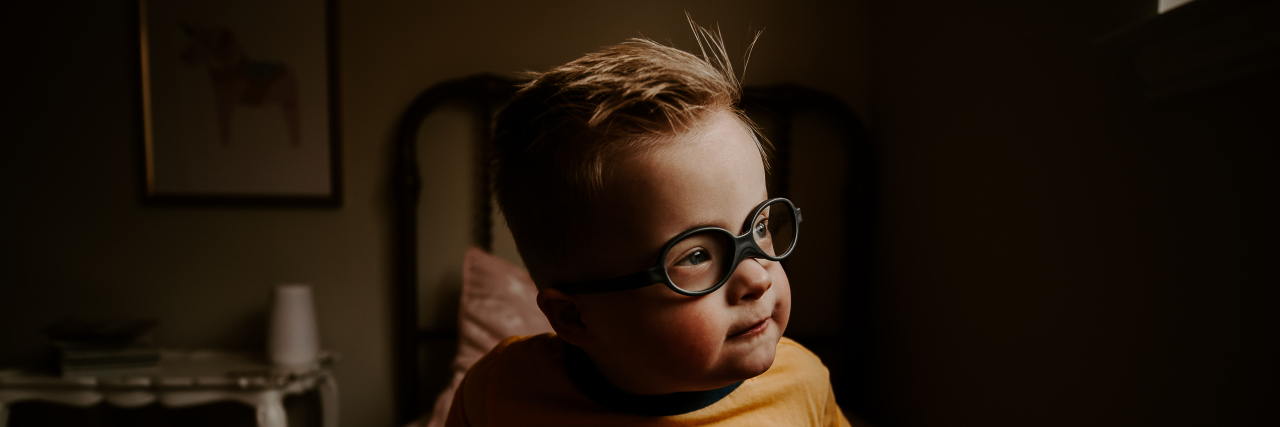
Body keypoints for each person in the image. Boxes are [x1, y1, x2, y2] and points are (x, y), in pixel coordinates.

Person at [445, 22, 857, 426]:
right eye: (696, 255)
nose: (758, 278)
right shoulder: (499, 393)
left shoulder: (802, 388)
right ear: (573, 317)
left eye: (761, 227)